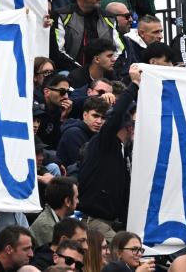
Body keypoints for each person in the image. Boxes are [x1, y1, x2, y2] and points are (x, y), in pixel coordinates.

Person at [77, 65, 140, 240]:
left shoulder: (123, 151)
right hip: (95, 221)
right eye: (132, 126)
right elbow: (116, 115)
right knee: (125, 252)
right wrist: (134, 84)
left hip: (112, 221)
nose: (134, 130)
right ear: (126, 127)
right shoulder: (104, 142)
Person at [30, 178, 77, 247]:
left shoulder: (57, 221)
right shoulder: (47, 226)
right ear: (67, 201)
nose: (78, 201)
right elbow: (55, 255)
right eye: (76, 197)